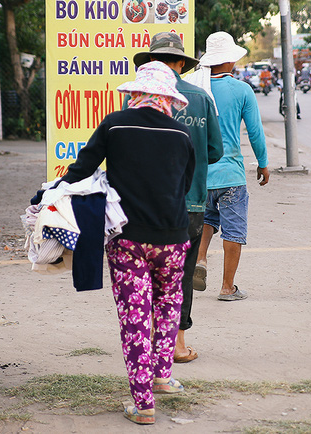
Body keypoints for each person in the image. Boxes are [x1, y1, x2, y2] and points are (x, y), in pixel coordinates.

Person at [60, 61, 194, 425]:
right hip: (173, 238)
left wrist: (49, 195)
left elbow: (82, 168)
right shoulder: (182, 134)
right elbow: (184, 185)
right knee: (168, 306)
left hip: (128, 240)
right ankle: (162, 375)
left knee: (135, 318)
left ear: (137, 93)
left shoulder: (115, 124)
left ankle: (144, 403)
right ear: (169, 98)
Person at [126, 32, 224, 364]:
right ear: (181, 63)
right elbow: (215, 151)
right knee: (179, 275)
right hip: (191, 203)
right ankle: (178, 344)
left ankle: (148, 341)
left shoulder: (136, 97)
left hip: (144, 205)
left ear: (151, 62)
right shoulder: (201, 98)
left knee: (143, 272)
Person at [185, 32, 270, 301]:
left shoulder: (194, 88)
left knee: (207, 218)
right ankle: (227, 287)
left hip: (199, 175)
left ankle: (201, 260)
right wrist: (263, 164)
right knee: (233, 229)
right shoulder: (242, 89)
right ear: (231, 61)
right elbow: (255, 132)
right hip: (231, 174)